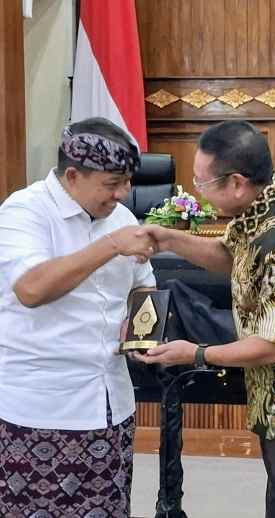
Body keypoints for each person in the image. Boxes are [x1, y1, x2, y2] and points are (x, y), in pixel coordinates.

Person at [134, 120, 275, 518]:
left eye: (202, 183)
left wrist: (195, 354)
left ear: (236, 182)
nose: (197, 191)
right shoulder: (268, 199)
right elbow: (230, 257)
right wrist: (167, 238)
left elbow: (274, 346)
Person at [0, 117, 158, 517]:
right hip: (40, 409)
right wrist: (110, 246)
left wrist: (141, 328)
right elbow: (31, 288)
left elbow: (145, 287)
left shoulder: (121, 218)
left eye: (128, 182)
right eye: (112, 183)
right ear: (73, 175)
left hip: (112, 404)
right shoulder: (24, 211)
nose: (122, 194)